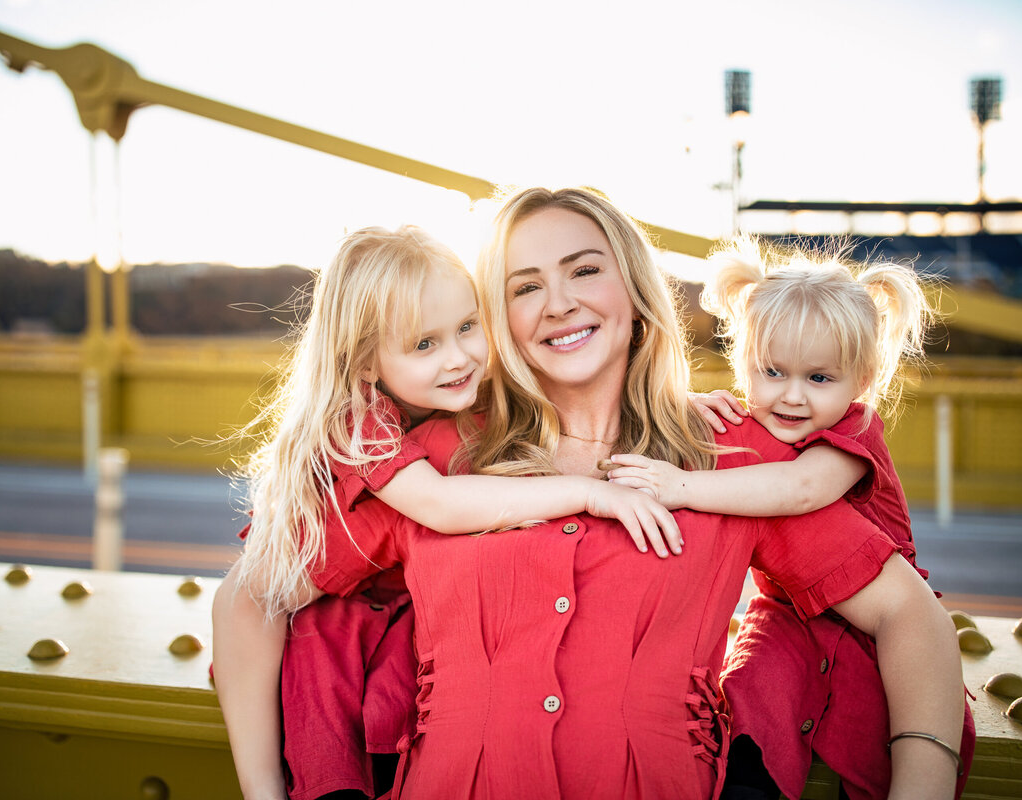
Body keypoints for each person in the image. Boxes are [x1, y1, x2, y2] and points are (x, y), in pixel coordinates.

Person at [214, 188, 965, 800]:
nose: (559, 303)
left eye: (583, 271)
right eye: (525, 287)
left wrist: (921, 783)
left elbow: (906, 613)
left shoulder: (733, 458)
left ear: (636, 291)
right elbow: (255, 596)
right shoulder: (433, 464)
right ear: (496, 317)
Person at [213, 224, 695, 800]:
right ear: (366, 365)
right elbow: (440, 506)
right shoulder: (358, 420)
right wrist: (589, 490)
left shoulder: (468, 390)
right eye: (424, 345)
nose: (459, 356)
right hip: (287, 601)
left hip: (391, 593)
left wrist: (682, 405)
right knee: (300, 669)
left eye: (468, 327)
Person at [603, 236, 975, 799]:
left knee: (872, 727)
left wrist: (681, 485)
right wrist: (684, 404)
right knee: (749, 697)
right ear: (743, 366)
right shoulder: (752, 419)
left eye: (819, 379)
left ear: (863, 382)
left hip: (864, 628)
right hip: (786, 615)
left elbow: (799, 489)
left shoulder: (853, 429)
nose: (792, 397)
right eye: (772, 372)